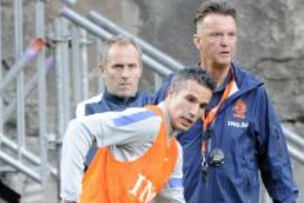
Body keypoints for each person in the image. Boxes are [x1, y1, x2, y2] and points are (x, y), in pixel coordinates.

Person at [155, 1, 298, 202]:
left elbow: (277, 163)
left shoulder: (253, 92)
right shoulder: (174, 89)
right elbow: (150, 148)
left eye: (231, 35)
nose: (225, 42)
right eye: (216, 35)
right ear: (198, 41)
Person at [60, 67, 216, 203]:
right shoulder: (149, 121)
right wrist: (70, 197)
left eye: (202, 106)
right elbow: (79, 128)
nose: (194, 111)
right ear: (171, 93)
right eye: (190, 99)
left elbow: (173, 199)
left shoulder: (175, 151)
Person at [75, 36, 154, 168]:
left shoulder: (155, 106)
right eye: (118, 67)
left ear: (140, 70)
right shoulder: (87, 109)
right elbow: (92, 163)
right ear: (102, 70)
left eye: (131, 66)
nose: (125, 74)